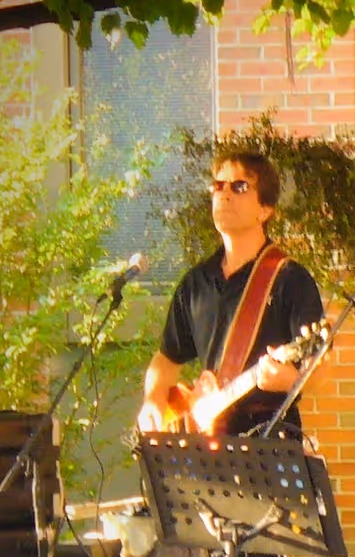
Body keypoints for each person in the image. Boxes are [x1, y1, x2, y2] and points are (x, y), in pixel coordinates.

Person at [137, 151, 327, 438]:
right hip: (206, 449)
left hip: (268, 441)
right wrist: (153, 399)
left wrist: (291, 380)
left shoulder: (290, 280)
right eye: (218, 185)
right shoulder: (196, 283)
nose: (225, 194)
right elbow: (166, 359)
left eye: (239, 187)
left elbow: (320, 371)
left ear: (265, 210)